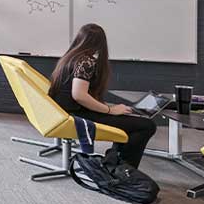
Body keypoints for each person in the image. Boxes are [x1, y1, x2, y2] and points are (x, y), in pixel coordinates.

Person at [48, 23, 156, 169]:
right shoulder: (86, 61)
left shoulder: (69, 58)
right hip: (77, 115)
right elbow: (79, 95)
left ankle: (114, 162)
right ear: (101, 43)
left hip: (66, 112)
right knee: (146, 126)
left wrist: (109, 108)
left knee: (129, 120)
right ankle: (123, 171)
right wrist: (110, 110)